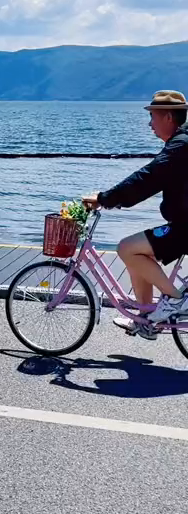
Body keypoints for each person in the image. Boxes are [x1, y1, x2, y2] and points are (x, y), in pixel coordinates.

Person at [83, 90, 188, 339]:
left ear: (167, 117)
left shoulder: (180, 147)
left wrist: (105, 198)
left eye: (152, 116)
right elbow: (150, 182)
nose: (149, 123)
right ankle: (145, 318)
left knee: (127, 248)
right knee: (135, 253)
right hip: (184, 223)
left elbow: (147, 178)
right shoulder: (181, 143)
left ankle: (176, 300)